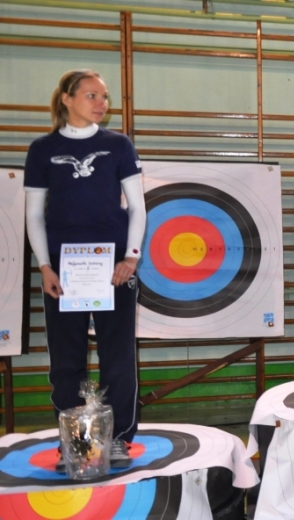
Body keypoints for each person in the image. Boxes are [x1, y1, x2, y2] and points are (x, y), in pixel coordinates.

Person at [24, 70, 145, 471]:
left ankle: (118, 438)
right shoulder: (42, 150)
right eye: (92, 95)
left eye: (105, 97)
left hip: (114, 268)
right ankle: (74, 443)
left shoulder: (118, 145)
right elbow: (34, 214)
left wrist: (130, 258)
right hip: (63, 271)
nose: (101, 103)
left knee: (118, 356)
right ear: (67, 98)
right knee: (67, 359)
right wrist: (45, 266)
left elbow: (137, 207)